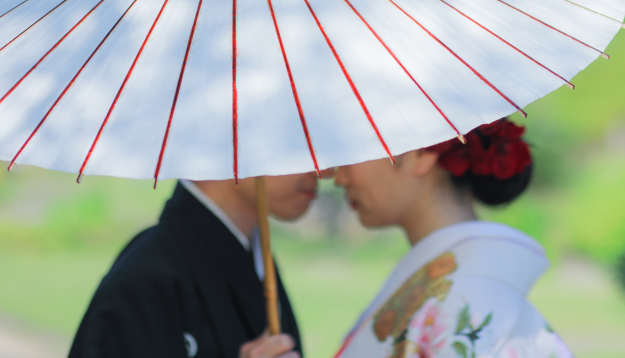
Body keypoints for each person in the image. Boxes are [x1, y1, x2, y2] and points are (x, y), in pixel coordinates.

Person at [333, 119, 573, 358]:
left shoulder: (467, 293)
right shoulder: (465, 279)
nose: (339, 177)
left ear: (420, 153)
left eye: (354, 150)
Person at [68, 172, 320, 358]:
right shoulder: (145, 279)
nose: (325, 170)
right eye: (298, 139)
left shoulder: (259, 261)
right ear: (231, 135)